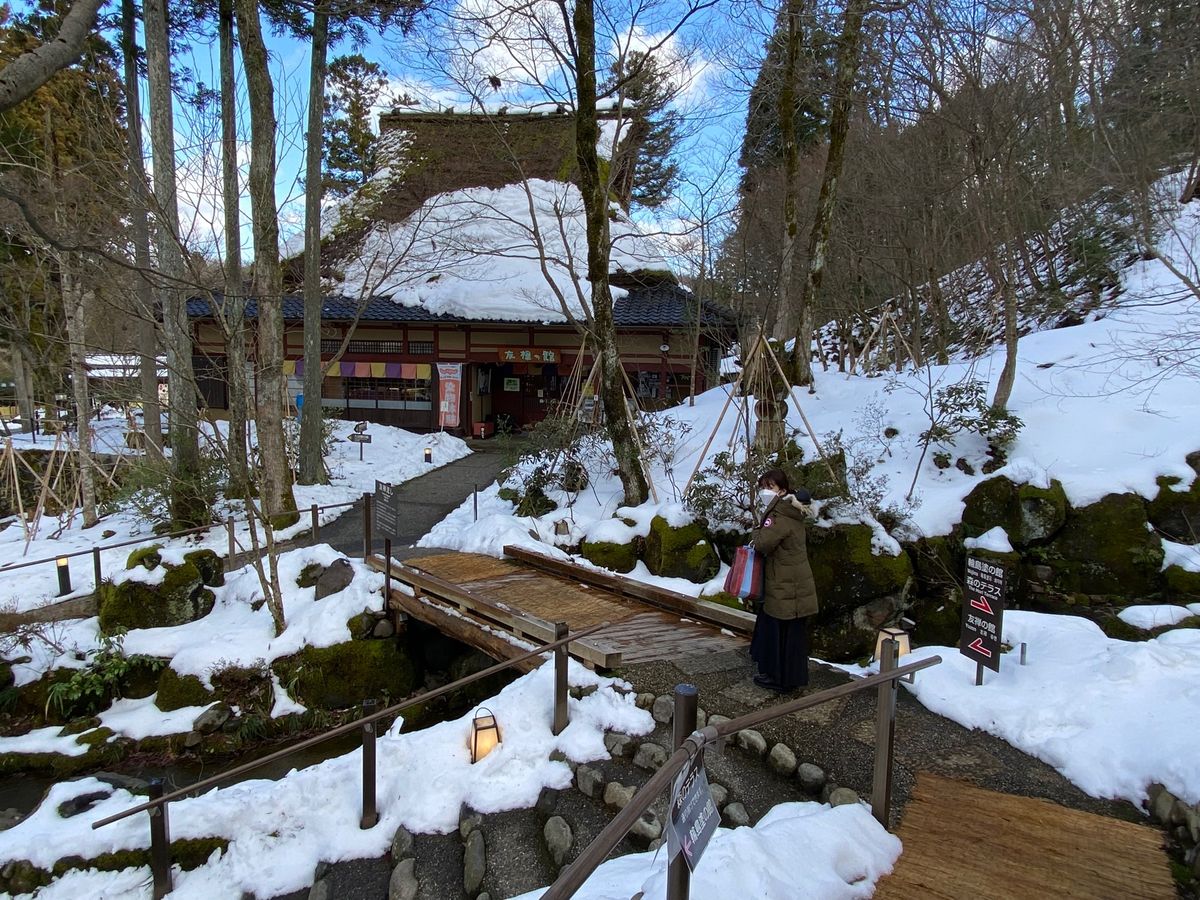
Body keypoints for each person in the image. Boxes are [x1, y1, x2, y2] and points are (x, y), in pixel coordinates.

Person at [749, 468, 818, 692]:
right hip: (794, 582)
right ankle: (790, 677)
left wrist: (755, 530)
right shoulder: (792, 511)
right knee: (791, 634)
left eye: (770, 487)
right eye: (763, 487)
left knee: (778, 631)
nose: (764, 492)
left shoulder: (780, 516)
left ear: (783, 490)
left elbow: (762, 543)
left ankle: (778, 678)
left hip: (784, 583)